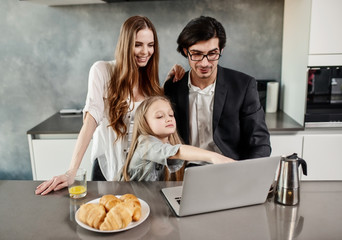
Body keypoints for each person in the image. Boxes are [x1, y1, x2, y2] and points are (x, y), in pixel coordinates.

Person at [35, 16, 183, 195]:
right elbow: (91, 120)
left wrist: (169, 83)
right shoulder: (102, 71)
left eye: (150, 45)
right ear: (125, 44)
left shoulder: (151, 85)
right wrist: (71, 171)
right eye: (138, 44)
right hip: (107, 168)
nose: (145, 51)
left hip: (140, 173)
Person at [164, 16, 271, 163]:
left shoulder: (244, 85)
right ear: (185, 51)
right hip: (183, 172)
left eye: (212, 54)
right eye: (196, 54)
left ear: (221, 50)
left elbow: (260, 143)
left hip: (229, 170)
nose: (204, 62)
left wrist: (246, 174)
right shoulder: (172, 87)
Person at [120, 96, 234, 181]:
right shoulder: (145, 143)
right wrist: (213, 156)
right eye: (160, 116)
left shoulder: (169, 143)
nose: (169, 119)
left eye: (171, 115)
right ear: (144, 123)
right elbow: (178, 151)